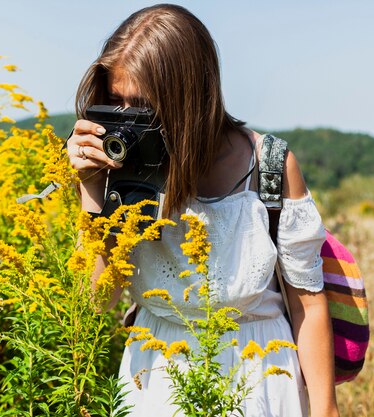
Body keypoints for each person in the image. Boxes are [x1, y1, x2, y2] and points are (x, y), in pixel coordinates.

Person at [66, 4, 339, 417]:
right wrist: (91, 189)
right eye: (115, 101)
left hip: (259, 380)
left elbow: (308, 303)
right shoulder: (120, 167)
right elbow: (95, 303)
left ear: (190, 97)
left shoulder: (269, 165)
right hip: (156, 378)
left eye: (142, 104)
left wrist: (326, 410)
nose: (126, 120)